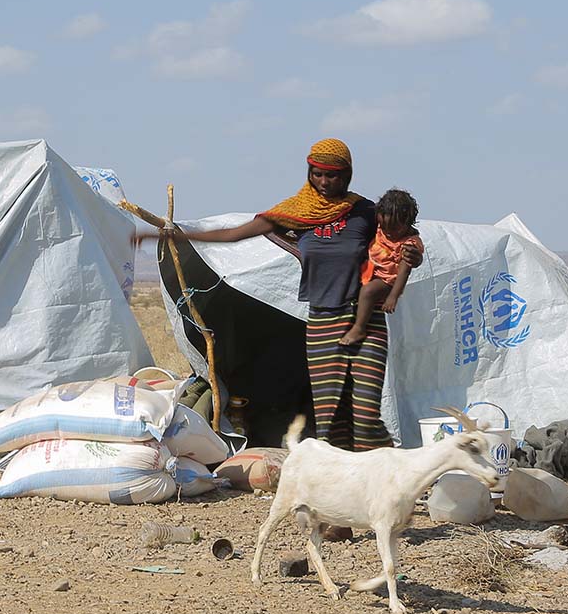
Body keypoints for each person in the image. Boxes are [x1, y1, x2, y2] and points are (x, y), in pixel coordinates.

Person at [136, 139, 422, 459]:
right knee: (331, 422)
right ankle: (348, 489)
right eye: (318, 174)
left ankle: (396, 470)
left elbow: (402, 237)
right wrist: (170, 234)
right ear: (308, 172)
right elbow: (233, 234)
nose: (326, 183)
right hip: (323, 323)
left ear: (349, 175)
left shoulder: (364, 212)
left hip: (365, 322)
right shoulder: (296, 212)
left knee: (366, 417)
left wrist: (414, 255)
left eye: (335, 176)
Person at [339, 188, 423, 346]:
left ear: (408, 223)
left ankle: (359, 328)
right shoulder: (382, 224)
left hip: (387, 280)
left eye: (394, 229)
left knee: (368, 291)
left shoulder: (408, 244)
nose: (388, 233)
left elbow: (404, 272)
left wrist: (393, 296)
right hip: (370, 268)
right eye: (384, 227)